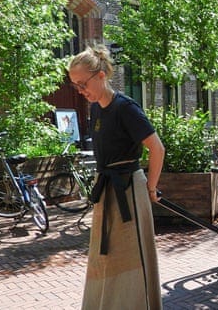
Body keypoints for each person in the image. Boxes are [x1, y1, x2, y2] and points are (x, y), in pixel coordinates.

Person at [68, 45, 165, 310]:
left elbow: (157, 148)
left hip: (128, 191)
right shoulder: (97, 108)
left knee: (130, 257)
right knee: (106, 258)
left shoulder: (126, 108)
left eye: (82, 84)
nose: (80, 91)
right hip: (107, 190)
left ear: (100, 75)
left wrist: (151, 188)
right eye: (75, 86)